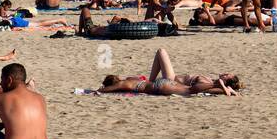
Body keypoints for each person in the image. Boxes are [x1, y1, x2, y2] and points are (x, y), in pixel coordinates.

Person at [97, 48, 242, 96]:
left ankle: (220, 87)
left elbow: (117, 86)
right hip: (161, 83)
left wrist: (101, 90)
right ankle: (222, 88)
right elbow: (117, 85)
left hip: (159, 85)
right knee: (189, 90)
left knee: (189, 90)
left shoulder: (128, 82)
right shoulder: (130, 80)